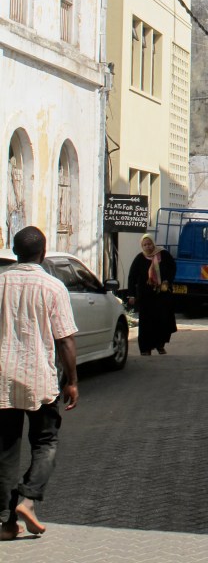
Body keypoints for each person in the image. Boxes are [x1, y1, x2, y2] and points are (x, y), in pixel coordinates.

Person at [0, 225, 78, 541]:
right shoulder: (52, 286)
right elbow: (65, 341)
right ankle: (28, 499)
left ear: (16, 252)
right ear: (43, 253)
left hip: (2, 379)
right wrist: (72, 380)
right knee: (46, 442)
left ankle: (7, 523)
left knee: (5, 449)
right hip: (39, 379)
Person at [127, 234, 177, 356]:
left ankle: (160, 345)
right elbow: (132, 277)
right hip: (146, 296)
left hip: (161, 294)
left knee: (162, 320)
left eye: (149, 244)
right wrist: (131, 295)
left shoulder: (163, 254)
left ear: (153, 244)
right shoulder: (139, 258)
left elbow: (172, 268)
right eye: (145, 245)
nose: (148, 247)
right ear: (142, 246)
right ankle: (145, 348)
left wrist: (167, 281)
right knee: (146, 323)